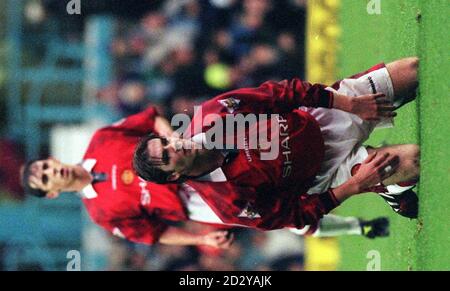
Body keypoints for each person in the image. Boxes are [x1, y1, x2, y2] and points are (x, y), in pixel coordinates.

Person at [21, 108, 389, 250]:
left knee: (283, 165)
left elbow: (151, 119)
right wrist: (200, 237)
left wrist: (174, 141)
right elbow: (157, 234)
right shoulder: (102, 214)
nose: (55, 172)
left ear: (54, 160)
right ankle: (358, 225)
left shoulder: (102, 139)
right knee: (287, 218)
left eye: (47, 166)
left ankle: (363, 166)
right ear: (53, 194)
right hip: (197, 202)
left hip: (202, 154)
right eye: (47, 179)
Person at [133, 58, 420, 234]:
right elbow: (293, 216)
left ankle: (386, 168)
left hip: (320, 117)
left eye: (167, 141)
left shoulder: (212, 115)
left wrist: (351, 103)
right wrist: (355, 185)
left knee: (413, 70)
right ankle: (385, 186)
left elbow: (280, 93)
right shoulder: (228, 202)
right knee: (415, 161)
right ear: (173, 176)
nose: (175, 145)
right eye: (168, 156)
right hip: (327, 173)